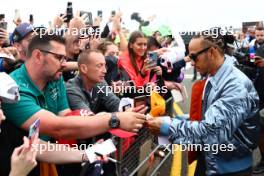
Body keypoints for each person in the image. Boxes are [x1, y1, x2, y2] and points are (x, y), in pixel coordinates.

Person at [147, 33, 260, 176]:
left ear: (212, 52)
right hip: (211, 160)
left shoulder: (235, 85)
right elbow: (207, 117)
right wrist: (175, 121)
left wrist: (168, 127)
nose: (192, 63)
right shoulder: (214, 75)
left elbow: (212, 132)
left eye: (194, 57)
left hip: (231, 169)